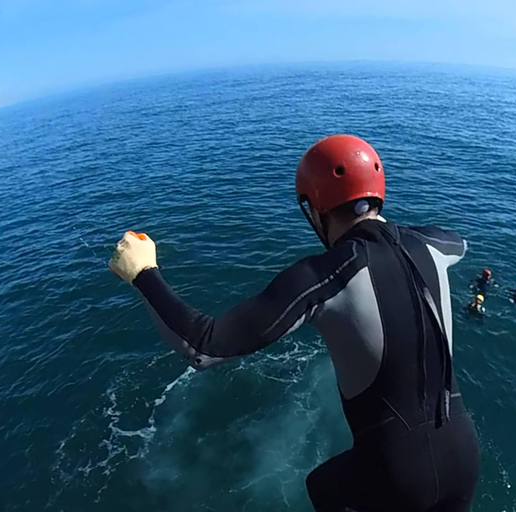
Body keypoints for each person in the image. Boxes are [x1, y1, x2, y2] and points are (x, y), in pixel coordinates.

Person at [108, 134, 480, 512]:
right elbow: (461, 243)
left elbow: (203, 347)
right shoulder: (434, 245)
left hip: (394, 473)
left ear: (314, 207)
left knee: (323, 487)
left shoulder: (327, 274)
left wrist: (143, 272)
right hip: (464, 456)